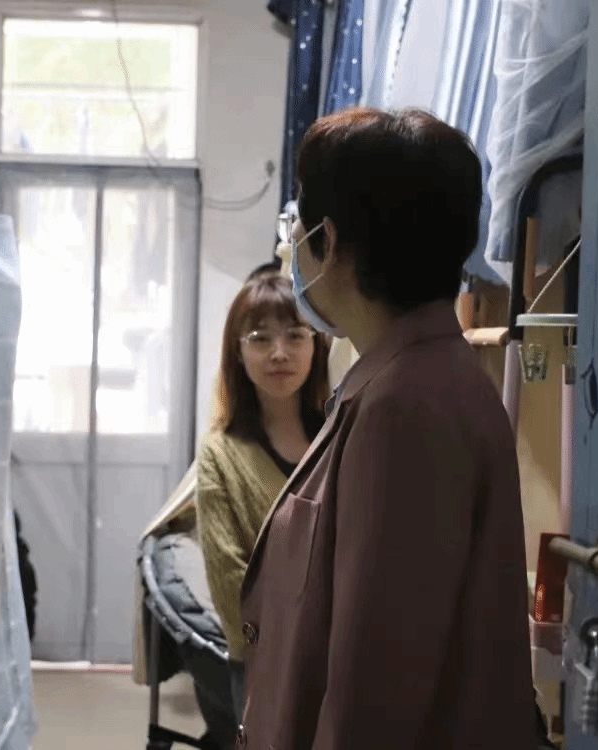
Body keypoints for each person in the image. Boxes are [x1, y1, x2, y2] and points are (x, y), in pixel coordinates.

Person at [237, 107, 535, 749]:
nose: (291, 248)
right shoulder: (399, 379)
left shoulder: (407, 406)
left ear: (331, 239)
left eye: (295, 226)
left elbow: (374, 696)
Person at [195, 270, 331, 731]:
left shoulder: (341, 436)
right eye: (260, 338)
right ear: (238, 350)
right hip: (261, 667)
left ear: (316, 345)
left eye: (295, 335)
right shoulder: (220, 454)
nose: (279, 353)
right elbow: (230, 583)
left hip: (342, 664)